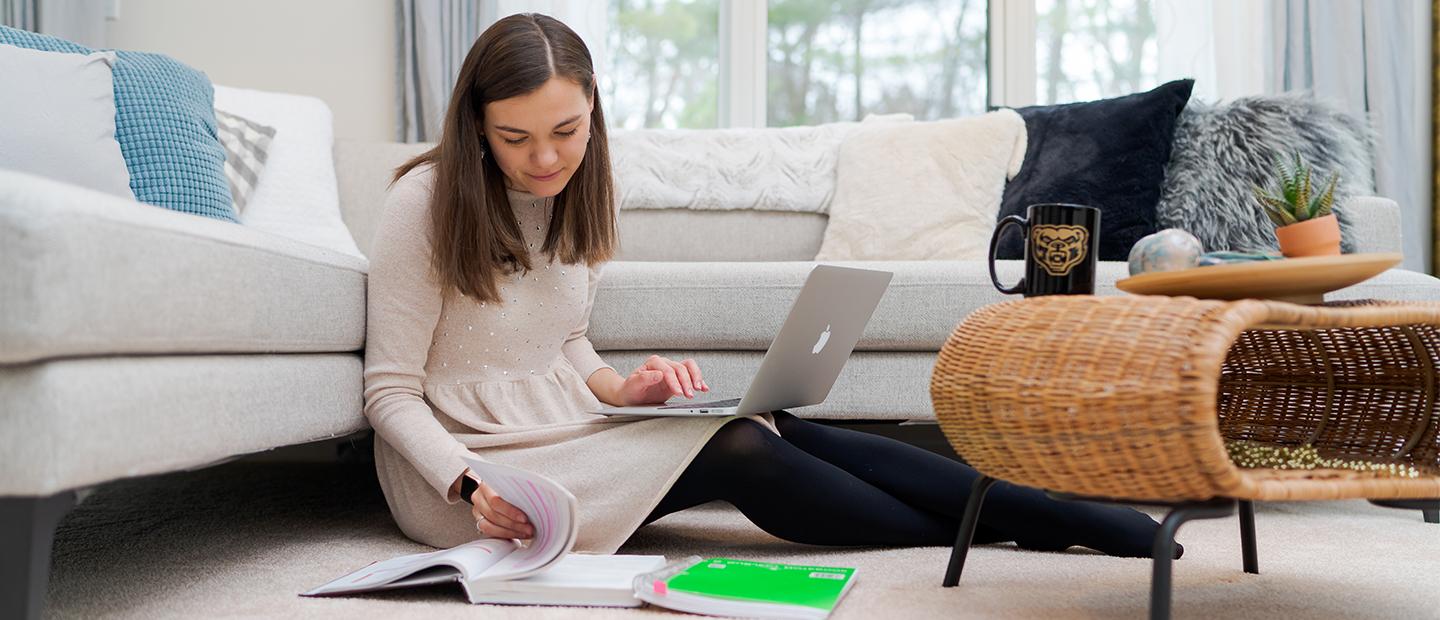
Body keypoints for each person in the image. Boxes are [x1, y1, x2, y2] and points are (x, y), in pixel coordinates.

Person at [363, 12, 1174, 559]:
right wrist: (470, 480)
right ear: (476, 123)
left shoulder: (585, 191)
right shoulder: (423, 202)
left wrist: (628, 389)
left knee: (766, 419)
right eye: (516, 138)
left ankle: (1030, 511)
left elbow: (562, 339)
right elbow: (391, 391)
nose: (545, 159)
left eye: (566, 132)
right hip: (470, 475)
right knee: (742, 448)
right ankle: (1026, 520)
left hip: (570, 425)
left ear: (593, 114)